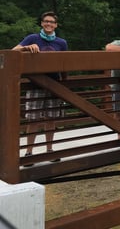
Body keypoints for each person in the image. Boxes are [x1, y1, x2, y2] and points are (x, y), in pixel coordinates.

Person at [12, 11, 68, 166]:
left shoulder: (61, 42)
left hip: (54, 84)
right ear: (42, 23)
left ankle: (49, 150)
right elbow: (12, 52)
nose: (48, 24)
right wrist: (26, 48)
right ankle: (29, 152)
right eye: (46, 21)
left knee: (51, 119)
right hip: (35, 84)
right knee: (33, 119)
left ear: (56, 25)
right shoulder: (32, 38)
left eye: (51, 22)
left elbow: (65, 63)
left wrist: (65, 82)